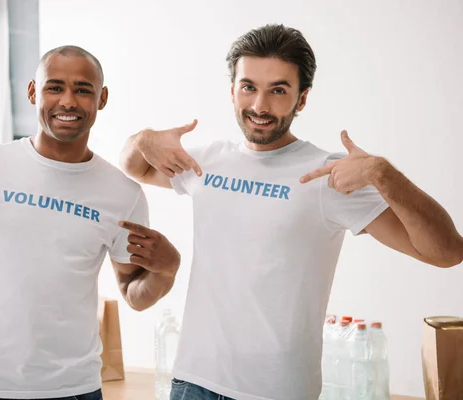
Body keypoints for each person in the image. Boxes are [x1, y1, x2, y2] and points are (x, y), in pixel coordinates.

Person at [120, 24, 463, 400]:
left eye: (278, 90)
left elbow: (446, 253)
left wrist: (384, 174)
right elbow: (135, 166)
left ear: (302, 99)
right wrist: (144, 138)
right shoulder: (206, 163)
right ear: (232, 91)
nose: (260, 106)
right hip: (192, 383)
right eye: (248, 87)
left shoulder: (329, 175)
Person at [0, 46, 181, 400]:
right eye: (55, 87)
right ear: (32, 92)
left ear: (102, 98)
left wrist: (167, 270)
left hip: (75, 390)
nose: (68, 101)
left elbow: (134, 293)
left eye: (83, 90)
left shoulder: (122, 193)